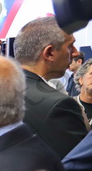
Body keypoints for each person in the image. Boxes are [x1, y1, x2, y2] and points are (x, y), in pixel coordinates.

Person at [13, 16, 88, 159]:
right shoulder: (59, 105)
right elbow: (79, 166)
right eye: (70, 46)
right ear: (49, 53)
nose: (76, 53)